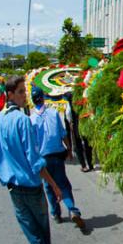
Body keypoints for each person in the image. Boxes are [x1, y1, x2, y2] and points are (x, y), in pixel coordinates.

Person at [0, 76, 76, 244]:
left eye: (24, 92)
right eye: (20, 92)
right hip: (31, 187)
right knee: (41, 238)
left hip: (14, 190)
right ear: (10, 94)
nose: (23, 96)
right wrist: (55, 184)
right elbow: (35, 160)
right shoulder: (23, 120)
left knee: (37, 237)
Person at [29, 87, 85, 229]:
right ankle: (72, 209)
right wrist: (69, 149)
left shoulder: (31, 119)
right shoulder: (53, 113)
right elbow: (63, 134)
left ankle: (56, 213)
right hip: (57, 155)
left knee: (49, 186)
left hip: (43, 157)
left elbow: (33, 142)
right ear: (43, 98)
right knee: (63, 183)